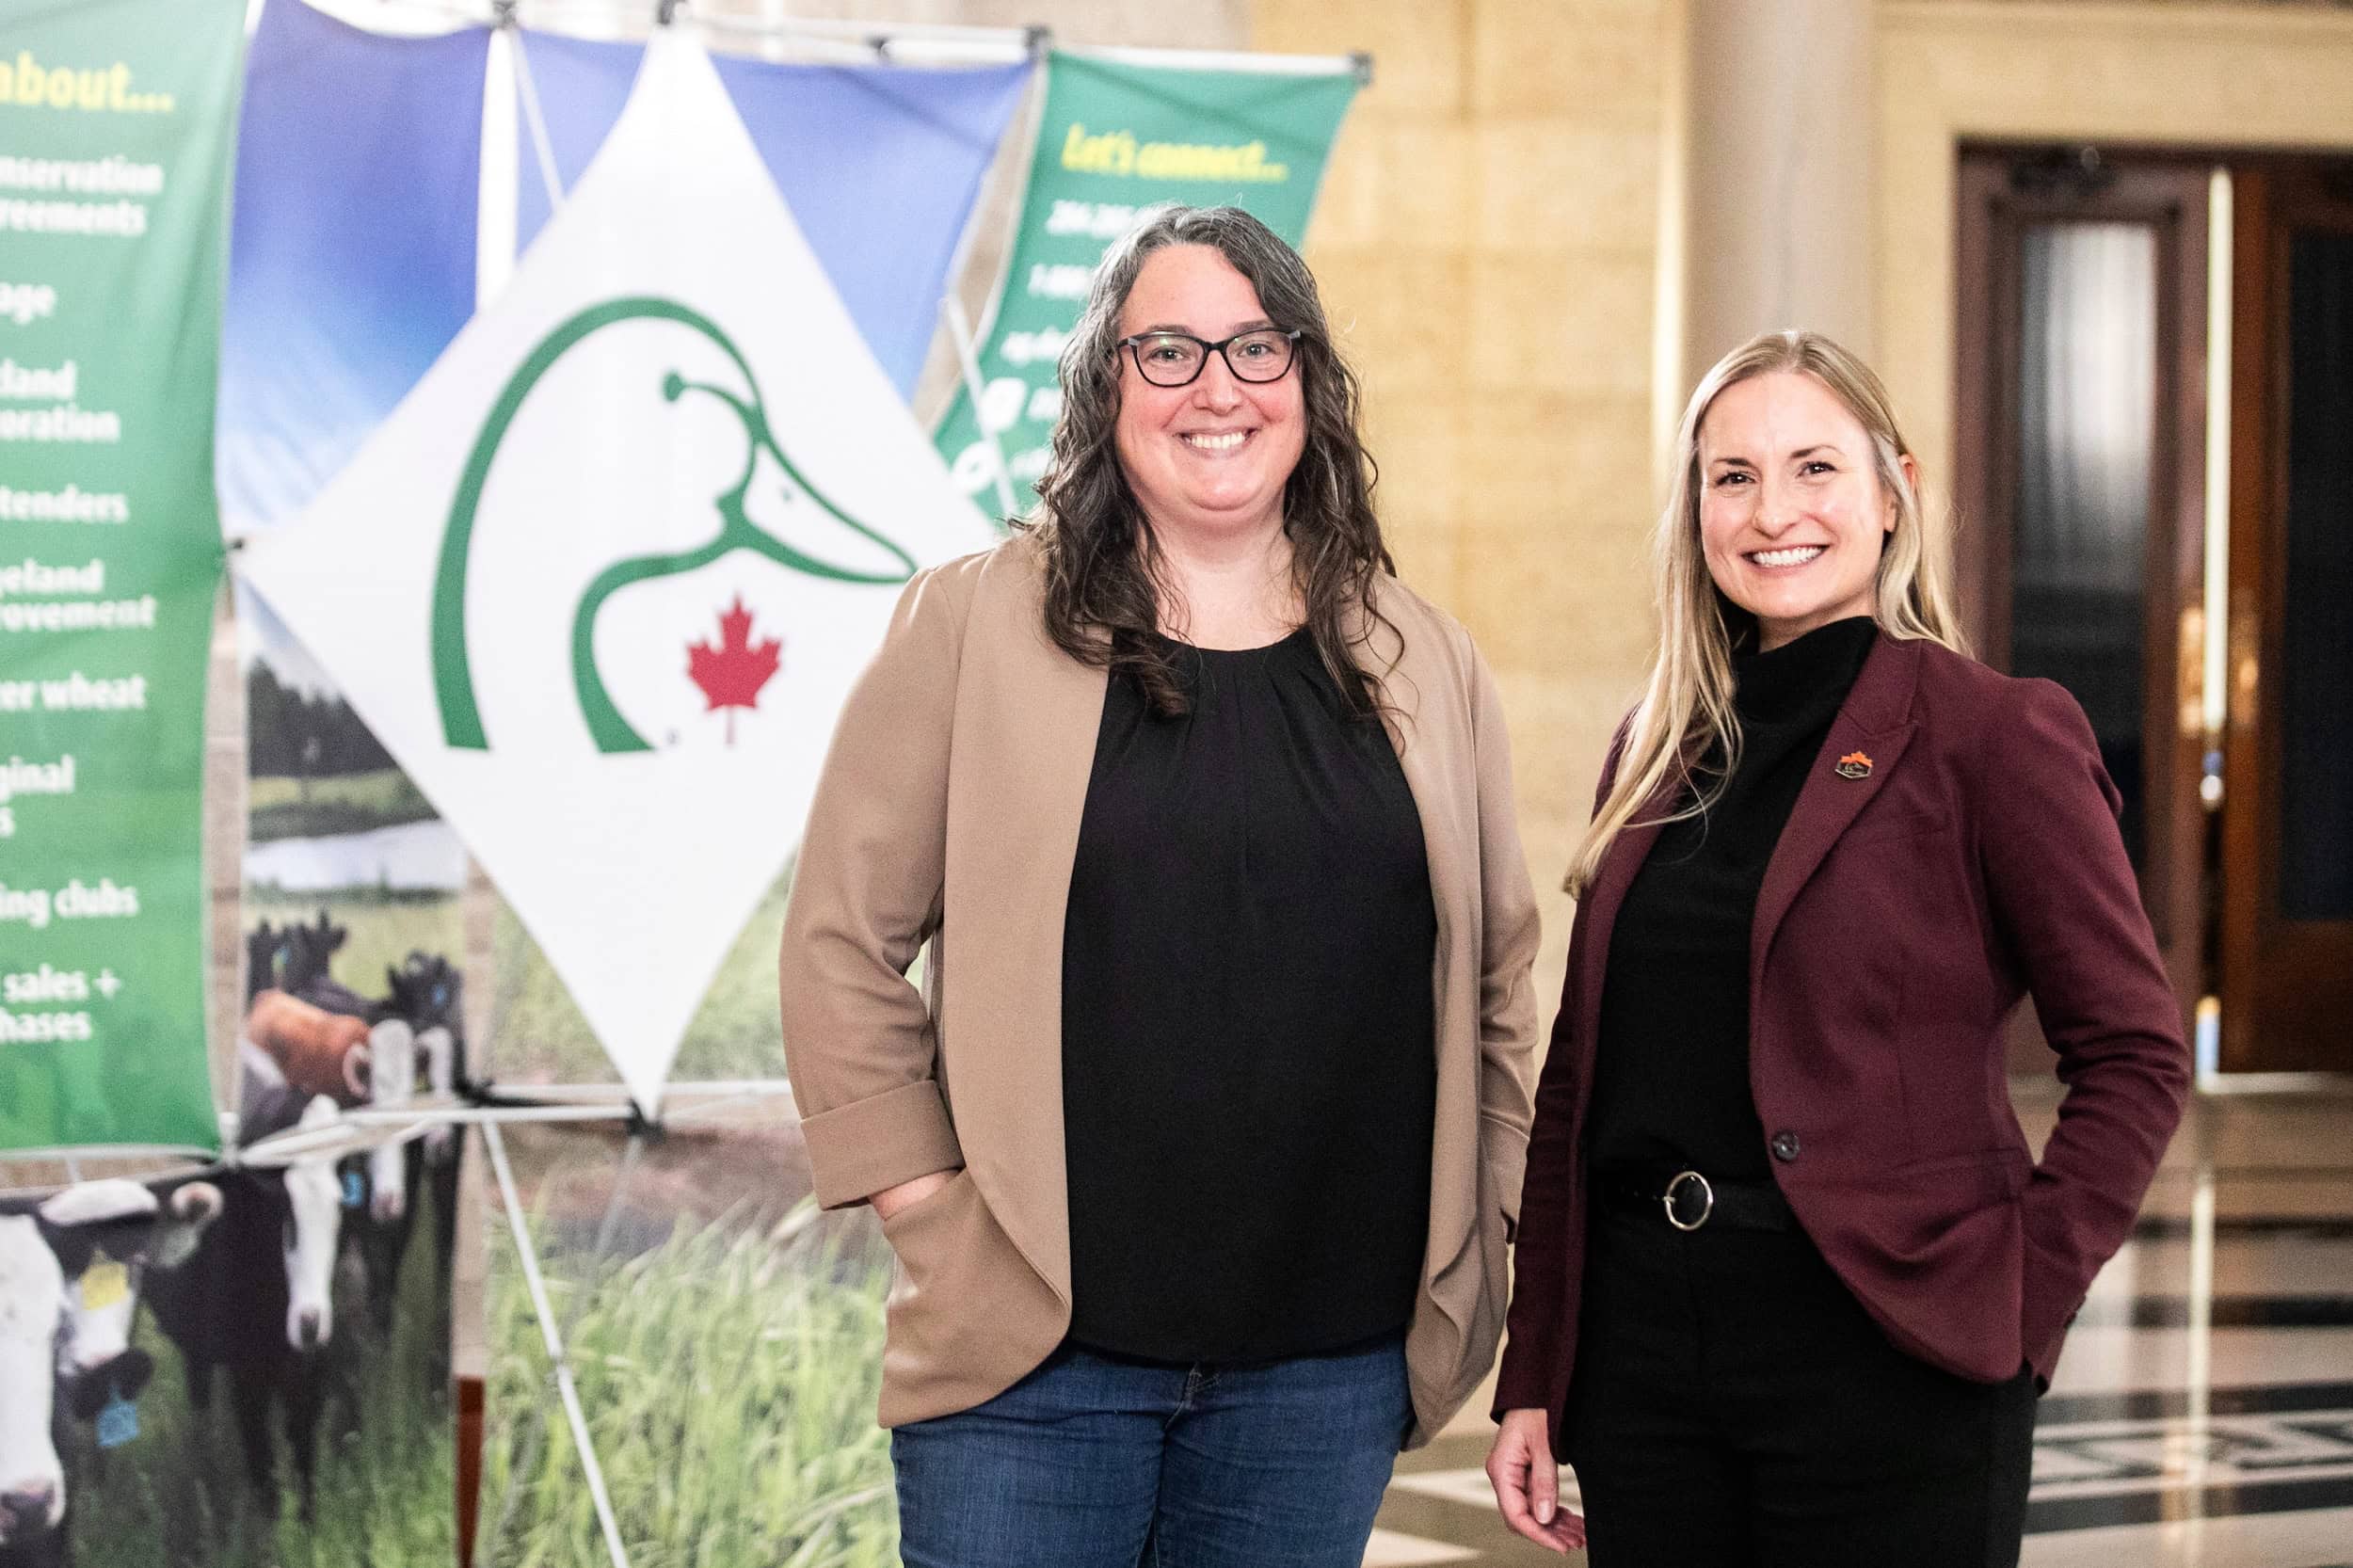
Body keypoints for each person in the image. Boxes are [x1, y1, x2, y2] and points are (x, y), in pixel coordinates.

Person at [779, 204, 1542, 1568]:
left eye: (1255, 345)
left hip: (1322, 1372)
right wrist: (930, 1212)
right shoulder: (974, 626)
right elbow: (839, 939)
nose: (1216, 389)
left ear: (1308, 377)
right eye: (1169, 350)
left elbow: (1494, 987)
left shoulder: (1427, 660)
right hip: (1031, 1362)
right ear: (1104, 387)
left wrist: (1489, 1240)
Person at [1483, 329, 2190, 1565]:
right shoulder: (1655, 746)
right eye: (1734, 475)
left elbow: (2134, 1050)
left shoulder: (1993, 735)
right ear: (1695, 505)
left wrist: (2023, 1296)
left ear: (1890, 489)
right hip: (1649, 1365)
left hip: (1893, 1351)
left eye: (1815, 467)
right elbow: (1581, 1081)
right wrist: (1537, 1361)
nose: (1774, 513)